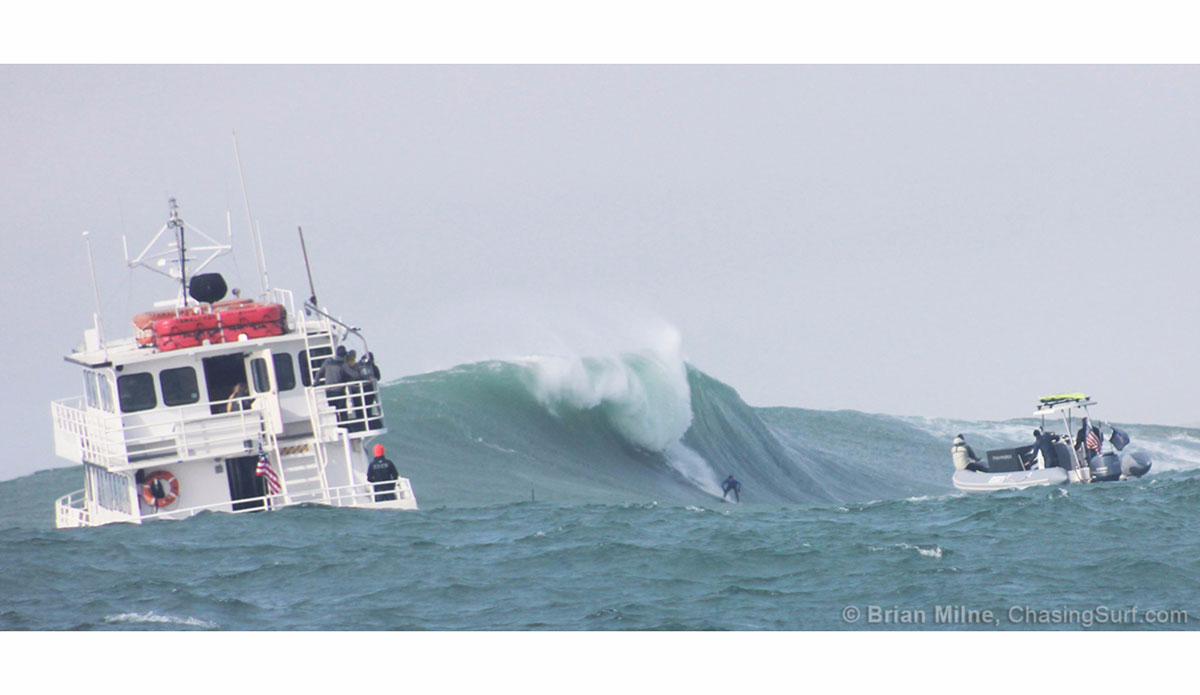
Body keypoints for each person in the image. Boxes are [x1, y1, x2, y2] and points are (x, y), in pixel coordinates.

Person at [321, 346, 348, 422]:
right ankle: (345, 424)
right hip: (339, 391)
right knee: (343, 411)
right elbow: (350, 375)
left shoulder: (328, 363)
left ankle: (337, 423)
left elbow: (319, 373)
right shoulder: (343, 365)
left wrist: (315, 383)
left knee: (333, 411)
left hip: (329, 391)